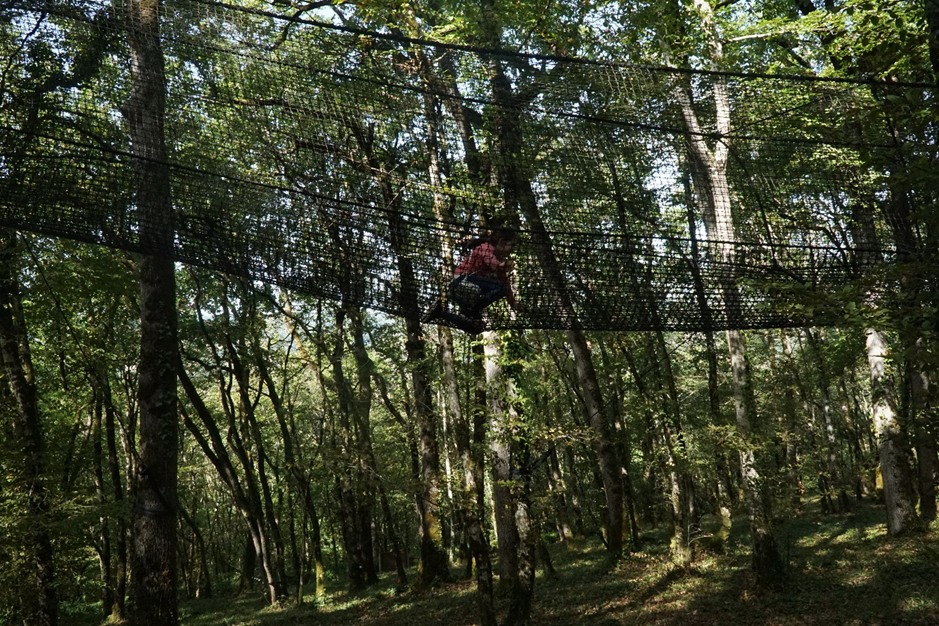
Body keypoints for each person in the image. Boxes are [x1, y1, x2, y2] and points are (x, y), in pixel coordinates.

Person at [424, 227, 518, 329]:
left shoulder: (498, 258)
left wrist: (513, 303)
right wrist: (503, 265)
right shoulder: (486, 247)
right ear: (502, 242)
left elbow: (505, 283)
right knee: (501, 288)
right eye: (512, 245)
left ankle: (440, 313)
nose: (513, 248)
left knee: (475, 327)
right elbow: (490, 262)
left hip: (468, 294)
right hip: (462, 282)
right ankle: (471, 311)